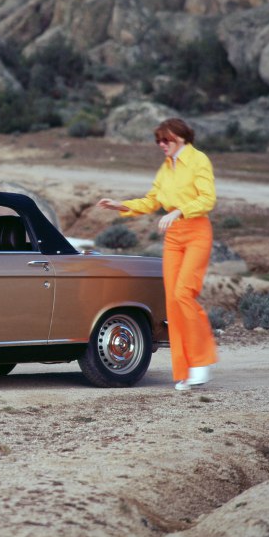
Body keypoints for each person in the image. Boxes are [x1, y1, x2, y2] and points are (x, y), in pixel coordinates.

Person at [97, 118, 218, 392]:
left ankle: (202, 362)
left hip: (197, 231)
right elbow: (152, 200)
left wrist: (179, 210)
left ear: (182, 137)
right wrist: (121, 205)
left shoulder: (199, 161)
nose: (162, 145)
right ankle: (185, 371)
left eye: (166, 140)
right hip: (174, 237)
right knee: (172, 303)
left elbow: (208, 198)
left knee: (184, 294)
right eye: (159, 141)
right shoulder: (166, 168)